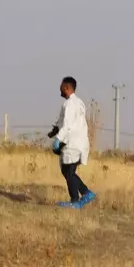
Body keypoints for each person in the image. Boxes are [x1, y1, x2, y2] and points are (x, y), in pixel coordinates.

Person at [47, 76, 96, 209]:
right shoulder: (79, 103)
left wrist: (58, 139)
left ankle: (81, 196)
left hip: (72, 143)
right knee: (67, 171)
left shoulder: (69, 104)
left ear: (67, 87)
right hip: (79, 142)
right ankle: (80, 197)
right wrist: (55, 130)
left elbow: (67, 124)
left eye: (61, 86)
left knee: (69, 172)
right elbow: (66, 121)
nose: (60, 88)